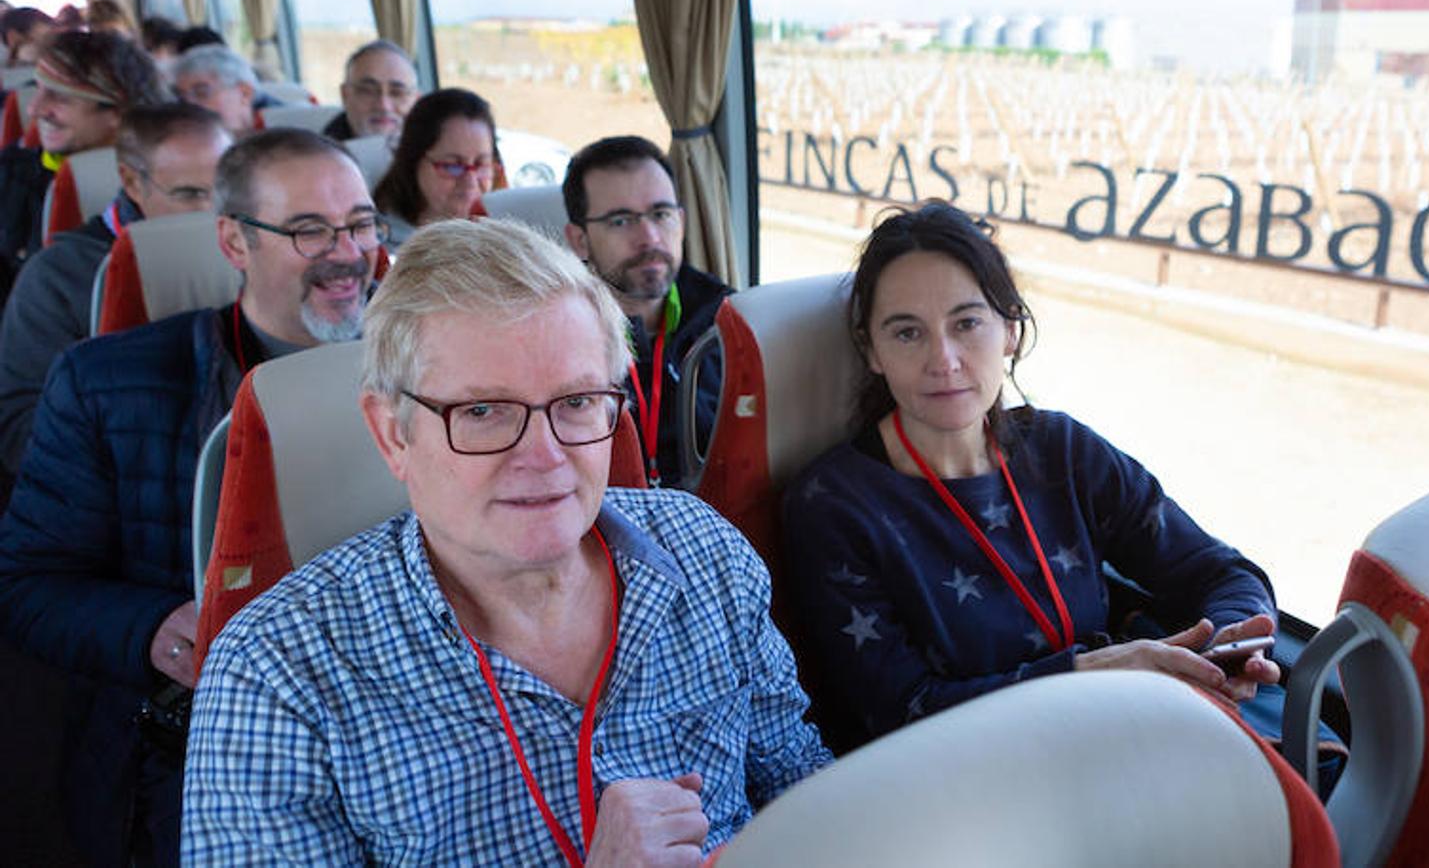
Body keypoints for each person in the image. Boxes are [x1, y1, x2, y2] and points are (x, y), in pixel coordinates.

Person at [182, 217, 831, 863]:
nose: (544, 457)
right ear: (392, 434)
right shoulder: (277, 669)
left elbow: (802, 790)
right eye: (483, 411)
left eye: (576, 402)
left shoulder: (705, 554)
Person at [0, 128, 384, 866]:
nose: (348, 253)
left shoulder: (426, 373)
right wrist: (151, 627)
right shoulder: (107, 384)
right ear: (235, 243)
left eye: (361, 223)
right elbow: (26, 585)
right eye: (308, 229)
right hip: (196, 735)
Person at [781, 202, 1284, 747]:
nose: (944, 359)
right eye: (907, 333)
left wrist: (1231, 642)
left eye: (967, 323)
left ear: (1011, 332)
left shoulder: (1063, 451)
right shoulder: (832, 506)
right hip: (973, 779)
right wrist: (1092, 675)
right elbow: (902, 714)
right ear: (871, 351)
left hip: (1121, 730)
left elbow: (1224, 572)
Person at [0, 102, 231, 501]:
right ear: (132, 182)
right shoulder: (59, 276)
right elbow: (18, 433)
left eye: (226, 194)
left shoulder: (253, 253)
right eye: (191, 194)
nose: (212, 214)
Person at [562, 135, 731, 487]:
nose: (651, 237)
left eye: (661, 214)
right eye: (621, 221)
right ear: (579, 240)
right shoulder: (555, 335)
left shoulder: (728, 320)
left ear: (681, 223)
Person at [0, 30, 169, 297]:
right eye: (38, 90)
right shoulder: (9, 175)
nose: (34, 109)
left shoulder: (168, 182)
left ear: (119, 112)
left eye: (59, 97)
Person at [371, 87, 498, 242]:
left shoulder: (505, 233)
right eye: (452, 166)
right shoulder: (378, 243)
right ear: (413, 162)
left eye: (481, 164)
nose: (470, 182)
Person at [170, 43, 276, 137]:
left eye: (201, 93)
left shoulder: (280, 130)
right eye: (182, 98)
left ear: (245, 93)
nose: (189, 105)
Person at [322, 38, 417, 140]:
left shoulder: (433, 148)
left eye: (397, 93)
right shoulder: (317, 153)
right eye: (367, 91)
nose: (384, 106)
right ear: (345, 95)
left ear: (416, 101)